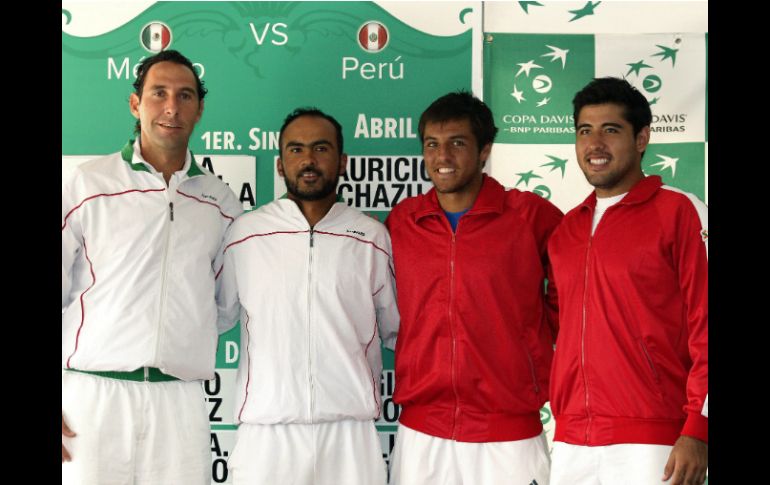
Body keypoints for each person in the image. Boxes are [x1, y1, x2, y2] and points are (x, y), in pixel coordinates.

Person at [61, 49, 243, 484]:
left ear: (199, 109)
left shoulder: (219, 201)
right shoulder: (89, 183)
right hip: (92, 395)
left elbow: (224, 306)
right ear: (135, 103)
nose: (171, 107)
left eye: (184, 96)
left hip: (179, 401)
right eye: (158, 93)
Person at [385, 91, 563, 485]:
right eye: (432, 144)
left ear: (485, 150)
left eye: (457, 144)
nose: (442, 157)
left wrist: (534, 339)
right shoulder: (403, 221)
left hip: (509, 432)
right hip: (423, 432)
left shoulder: (528, 215)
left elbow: (578, 287)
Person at [215, 108, 399, 485]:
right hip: (267, 433)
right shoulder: (245, 234)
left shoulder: (370, 237)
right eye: (296, 150)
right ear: (280, 164)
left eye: (321, 148)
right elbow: (216, 315)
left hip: (350, 432)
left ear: (342, 161)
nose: (309, 160)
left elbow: (396, 329)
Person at [547, 77, 708, 485]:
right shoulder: (566, 230)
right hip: (571, 443)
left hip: (653, 441)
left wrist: (699, 428)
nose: (595, 143)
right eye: (585, 131)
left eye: (611, 130)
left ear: (642, 139)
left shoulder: (681, 212)